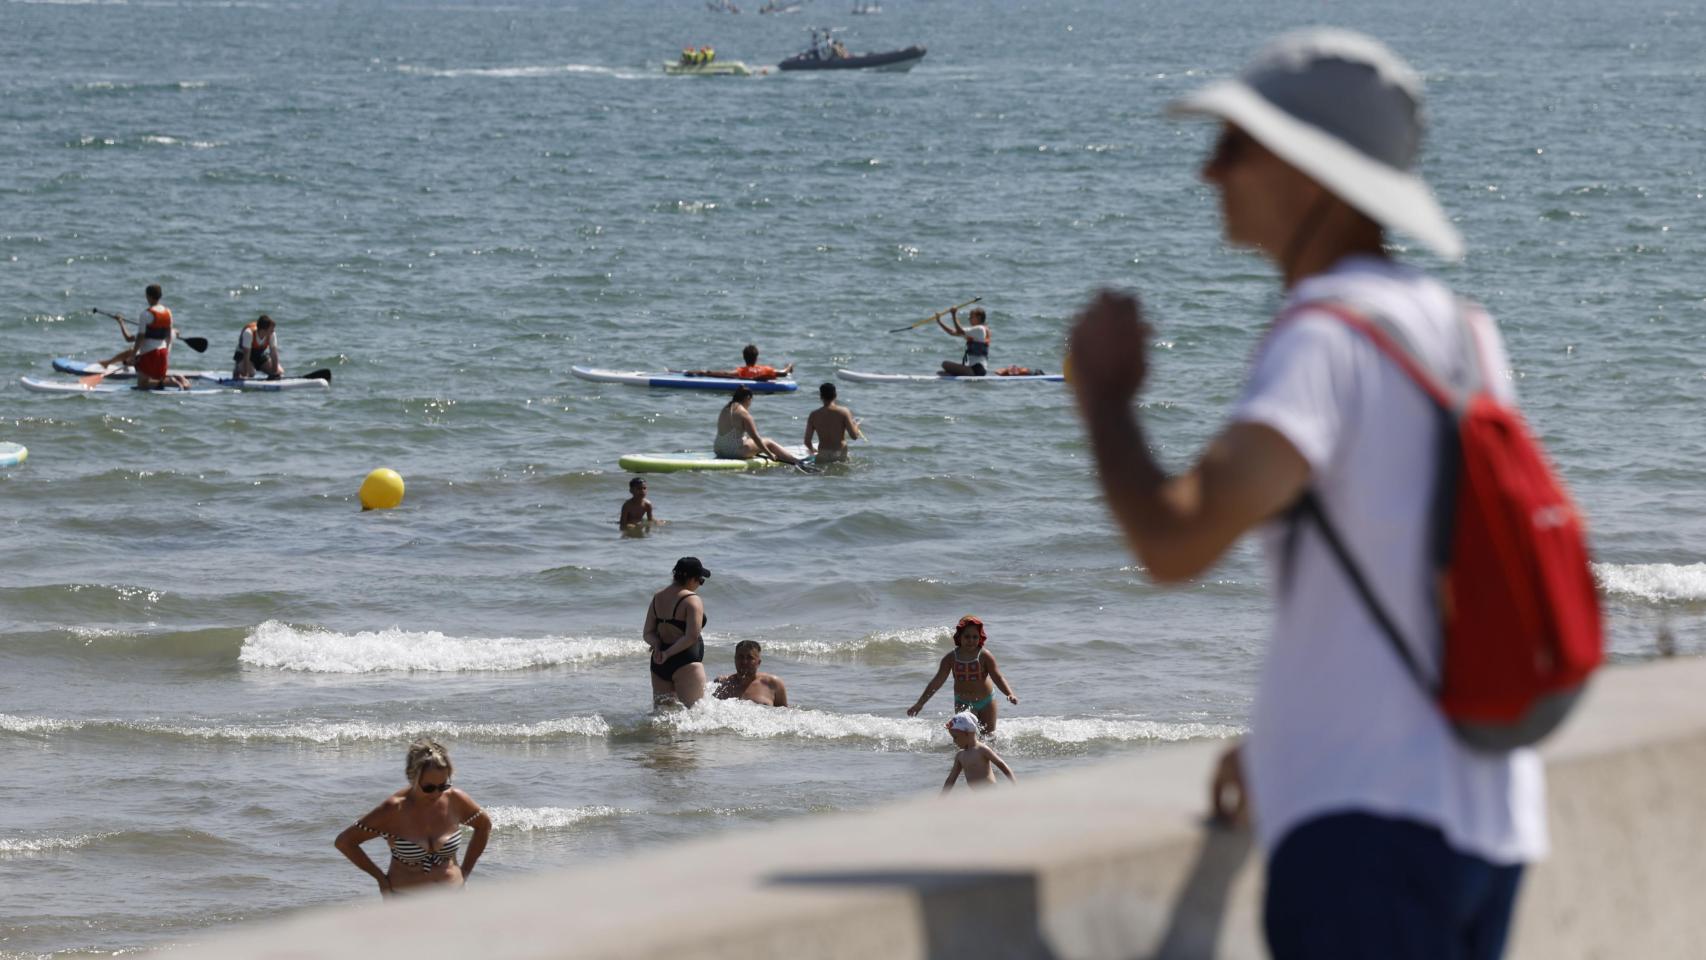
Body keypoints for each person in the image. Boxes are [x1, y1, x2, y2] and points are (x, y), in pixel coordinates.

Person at [1068, 30, 1543, 960]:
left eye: (1236, 146)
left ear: (1309, 172)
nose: (1210, 174)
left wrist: (1105, 397)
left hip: (1370, 834)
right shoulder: (1461, 329)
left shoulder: (1323, 337)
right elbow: (1421, 567)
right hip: (1488, 814)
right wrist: (1287, 742)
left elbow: (1176, 544)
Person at [333, 739, 492, 897]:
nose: (437, 793)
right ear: (412, 778)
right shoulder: (394, 809)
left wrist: (466, 870)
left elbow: (484, 826)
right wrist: (380, 879)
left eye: (443, 786)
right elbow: (345, 842)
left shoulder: (455, 800)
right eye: (429, 788)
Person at [906, 616, 1018, 733]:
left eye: (975, 637)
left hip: (986, 701)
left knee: (989, 735)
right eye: (967, 636)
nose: (971, 640)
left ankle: (990, 752)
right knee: (967, 735)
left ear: (980, 637)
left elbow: (998, 677)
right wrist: (920, 703)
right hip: (962, 702)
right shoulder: (951, 658)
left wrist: (1009, 693)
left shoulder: (985, 656)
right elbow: (936, 682)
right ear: (959, 637)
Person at [645, 557, 712, 706]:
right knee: (697, 716)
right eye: (700, 580)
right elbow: (691, 636)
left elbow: (647, 633)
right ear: (691, 578)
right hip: (686, 663)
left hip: (659, 664)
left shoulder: (658, 597)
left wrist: (658, 647)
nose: (699, 584)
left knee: (662, 720)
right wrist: (668, 654)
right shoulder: (692, 600)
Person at [715, 386, 806, 465]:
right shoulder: (743, 413)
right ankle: (796, 461)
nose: (750, 404)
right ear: (748, 398)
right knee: (768, 442)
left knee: (748, 440)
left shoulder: (726, 408)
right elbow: (755, 437)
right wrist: (769, 454)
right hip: (734, 452)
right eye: (751, 401)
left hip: (718, 449)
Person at [128, 284, 189, 389]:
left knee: (142, 385)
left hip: (149, 354)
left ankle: (171, 381)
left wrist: (133, 355)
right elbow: (169, 336)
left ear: (148, 296)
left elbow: (140, 337)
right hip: (163, 353)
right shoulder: (168, 312)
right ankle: (181, 380)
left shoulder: (145, 314)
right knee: (153, 381)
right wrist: (166, 353)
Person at [941, 712, 1015, 792]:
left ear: (967, 733)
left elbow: (1001, 765)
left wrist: (1014, 783)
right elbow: (951, 779)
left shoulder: (982, 749)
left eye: (955, 737)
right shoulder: (960, 756)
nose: (954, 741)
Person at [714, 640, 789, 706]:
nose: (744, 661)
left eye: (750, 658)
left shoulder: (773, 684)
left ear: (758, 662)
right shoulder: (723, 684)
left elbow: (785, 714)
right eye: (740, 657)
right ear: (735, 659)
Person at [803, 382, 862, 464]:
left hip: (823, 455)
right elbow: (854, 436)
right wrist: (856, 425)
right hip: (839, 455)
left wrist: (812, 450)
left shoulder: (814, 415)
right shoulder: (844, 412)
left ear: (821, 396)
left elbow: (807, 441)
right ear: (835, 395)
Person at [687, 344, 794, 382]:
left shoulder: (741, 371)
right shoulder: (766, 369)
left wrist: (703, 372)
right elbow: (784, 373)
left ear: (744, 357)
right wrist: (789, 366)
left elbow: (725, 374)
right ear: (757, 357)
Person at [937, 306, 991, 376]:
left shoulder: (980, 329)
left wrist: (954, 315)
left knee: (945, 364)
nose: (969, 319)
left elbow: (960, 331)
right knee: (942, 373)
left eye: (971, 317)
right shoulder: (974, 332)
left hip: (977, 369)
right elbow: (952, 332)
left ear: (978, 318)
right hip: (975, 369)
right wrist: (939, 322)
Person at [231, 314, 283, 380]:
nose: (273, 331)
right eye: (271, 330)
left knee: (279, 372)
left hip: (258, 354)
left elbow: (274, 353)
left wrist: (275, 373)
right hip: (243, 354)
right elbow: (247, 355)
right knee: (251, 373)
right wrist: (245, 375)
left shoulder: (272, 334)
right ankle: (237, 370)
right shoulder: (249, 333)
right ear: (263, 330)